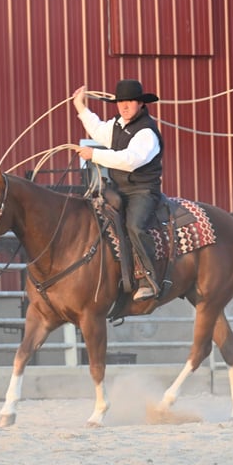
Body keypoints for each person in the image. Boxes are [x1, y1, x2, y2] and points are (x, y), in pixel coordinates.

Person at [72, 79, 164, 301]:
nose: (124, 106)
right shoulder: (117, 125)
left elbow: (131, 160)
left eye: (130, 101)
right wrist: (80, 107)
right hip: (118, 187)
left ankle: (148, 278)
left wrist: (94, 155)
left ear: (141, 104)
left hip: (142, 190)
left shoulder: (146, 132)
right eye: (121, 101)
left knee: (134, 226)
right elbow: (97, 130)